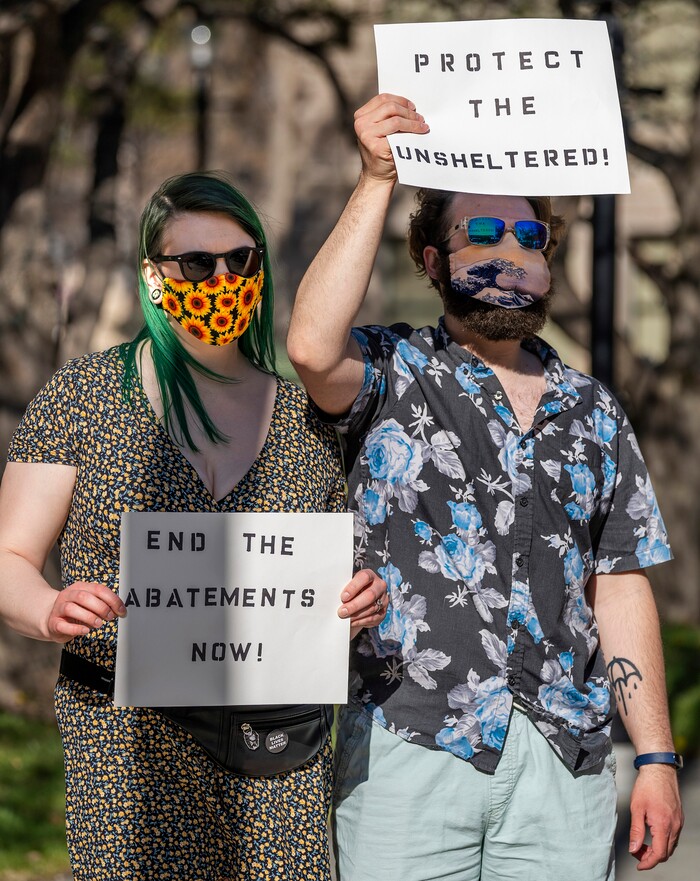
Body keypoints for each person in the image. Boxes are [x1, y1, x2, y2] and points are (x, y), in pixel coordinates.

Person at [286, 94, 684, 880]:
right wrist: (375, 180)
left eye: (528, 235)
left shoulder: (594, 409)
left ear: (548, 261)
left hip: (564, 763)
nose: (510, 250)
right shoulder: (390, 370)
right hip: (410, 745)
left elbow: (622, 584)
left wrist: (659, 756)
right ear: (432, 262)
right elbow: (307, 346)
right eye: (481, 233)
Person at [0, 170, 387, 881]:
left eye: (242, 260)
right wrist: (48, 608)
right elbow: (10, 556)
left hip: (278, 750)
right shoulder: (83, 396)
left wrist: (358, 601)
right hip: (127, 745)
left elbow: (338, 575)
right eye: (198, 263)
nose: (223, 278)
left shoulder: (312, 419)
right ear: (154, 277)